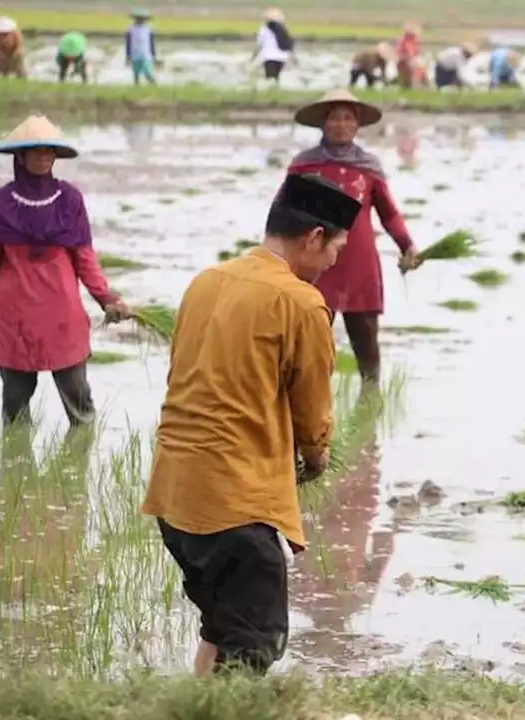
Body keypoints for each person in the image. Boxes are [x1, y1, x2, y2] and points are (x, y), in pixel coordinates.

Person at [141, 173, 362, 676]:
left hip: (175, 496)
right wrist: (316, 458)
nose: (332, 263)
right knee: (255, 642)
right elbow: (312, 414)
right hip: (233, 502)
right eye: (335, 251)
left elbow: (182, 374)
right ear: (313, 238)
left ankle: (193, 710)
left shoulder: (206, 281)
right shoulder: (301, 302)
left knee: (222, 625)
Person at [0, 116, 131, 428]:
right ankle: (15, 471)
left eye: (49, 151)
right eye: (36, 151)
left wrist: (106, 297)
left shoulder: (70, 199)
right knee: (14, 408)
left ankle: (78, 463)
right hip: (14, 317)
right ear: (21, 157)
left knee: (79, 401)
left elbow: (84, 257)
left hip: (61, 313)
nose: (44, 157)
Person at [288, 89, 422, 384]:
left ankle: (371, 403)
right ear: (323, 122)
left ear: (357, 124)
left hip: (359, 263)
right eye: (335, 117)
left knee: (366, 343)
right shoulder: (304, 165)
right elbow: (285, 214)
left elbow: (389, 214)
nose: (341, 124)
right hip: (315, 264)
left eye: (348, 118)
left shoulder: (368, 167)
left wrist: (407, 245)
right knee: (310, 343)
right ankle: (308, 406)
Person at [253, 8, 294, 86]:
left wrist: (254, 56)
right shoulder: (283, 28)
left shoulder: (264, 28)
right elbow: (289, 41)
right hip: (282, 56)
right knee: (276, 75)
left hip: (269, 56)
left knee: (270, 76)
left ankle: (271, 91)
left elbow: (259, 43)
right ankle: (276, 88)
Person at [126, 8, 159, 86]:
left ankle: (154, 85)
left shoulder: (149, 29)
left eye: (142, 19)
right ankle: (136, 87)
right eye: (138, 18)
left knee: (148, 72)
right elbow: (128, 43)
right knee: (136, 73)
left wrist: (154, 55)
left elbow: (152, 43)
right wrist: (128, 55)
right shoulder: (130, 29)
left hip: (146, 54)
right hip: (134, 54)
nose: (140, 20)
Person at [396, 22, 424, 89]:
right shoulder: (404, 40)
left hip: (412, 63)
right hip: (405, 62)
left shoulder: (414, 41)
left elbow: (416, 53)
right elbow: (401, 53)